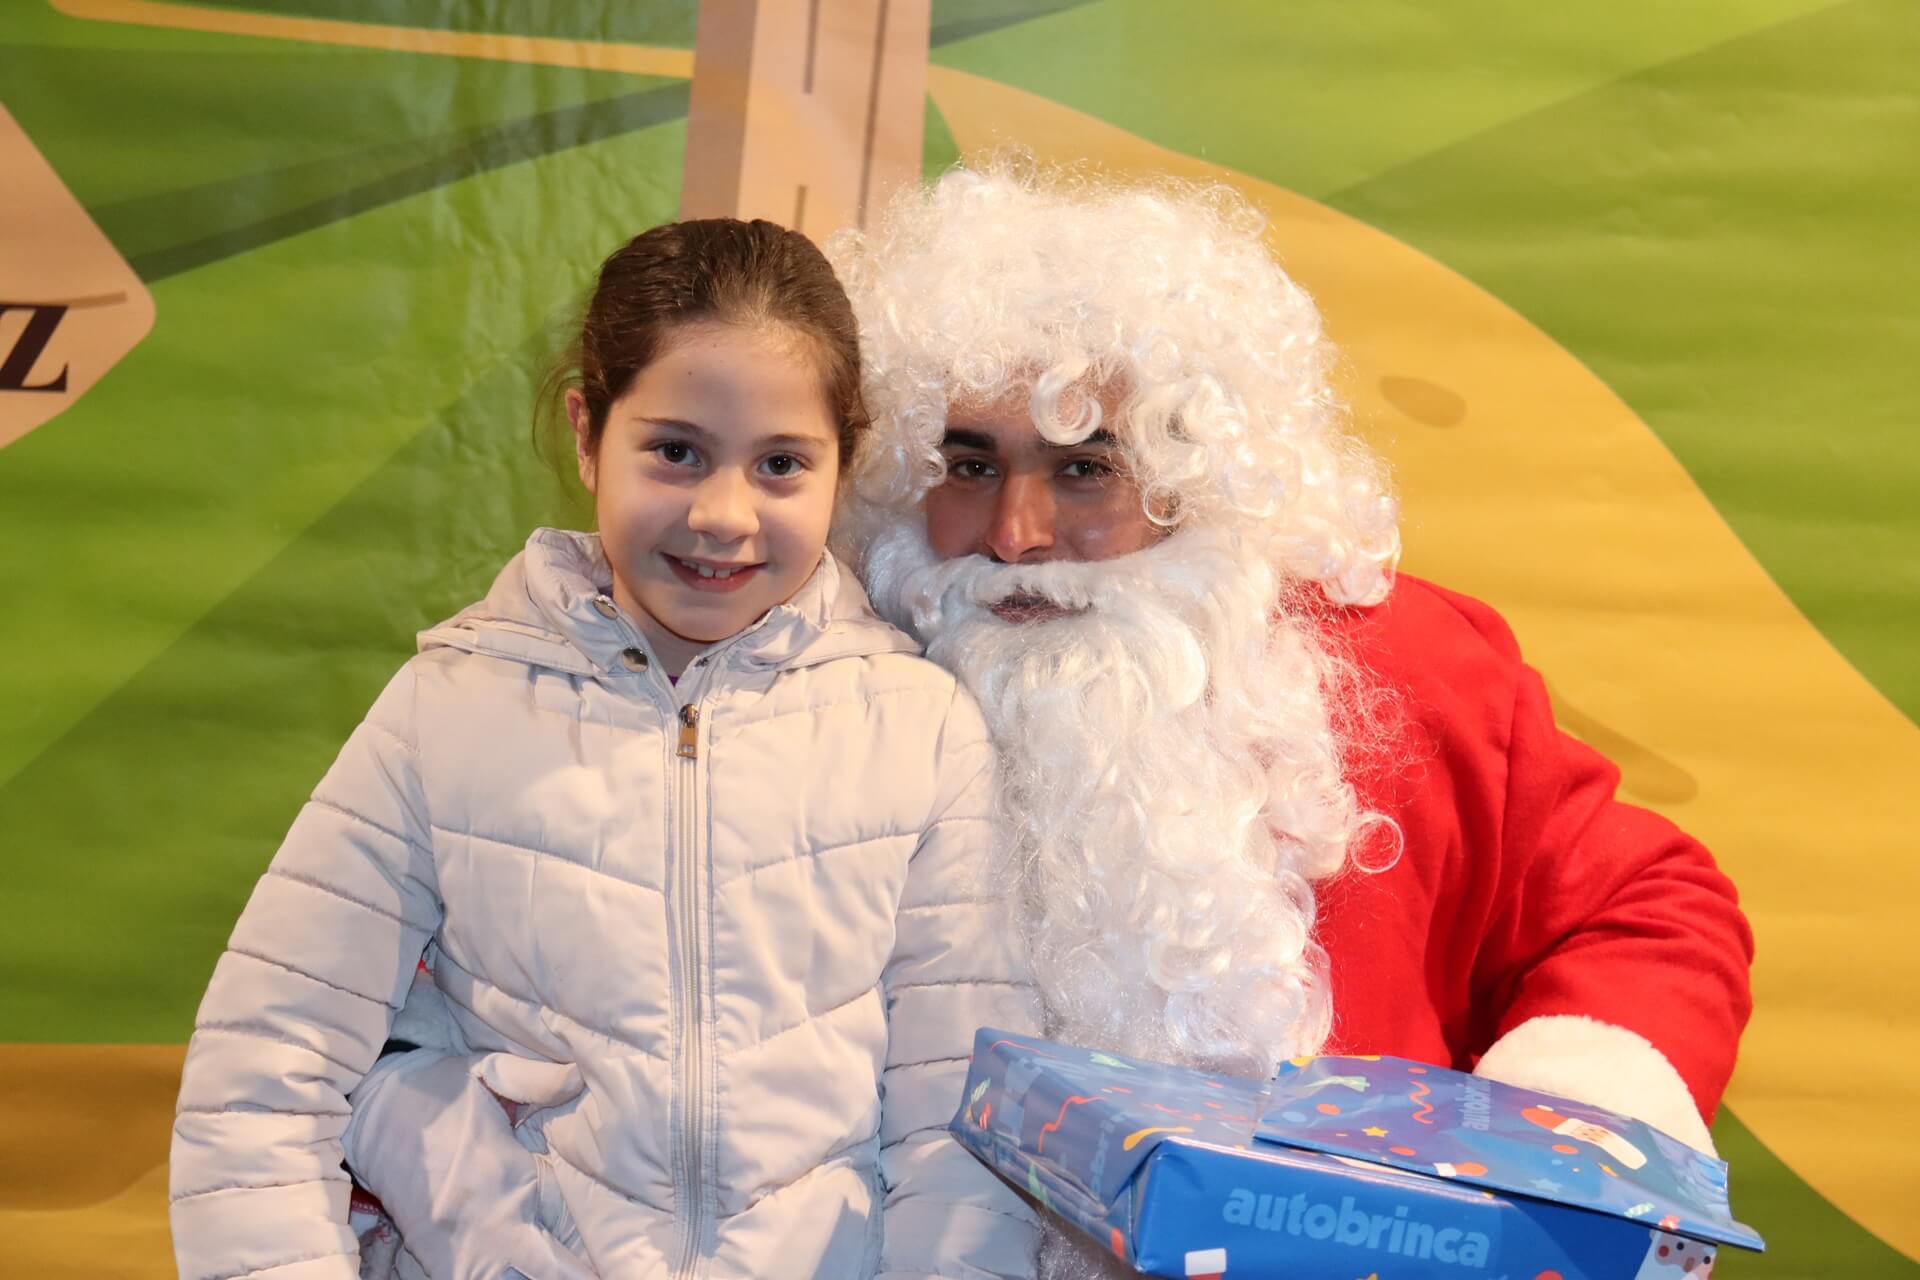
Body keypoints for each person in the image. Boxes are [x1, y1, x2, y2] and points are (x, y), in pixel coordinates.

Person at [345, 166, 1753, 1276]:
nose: (1017, 535)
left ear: (1192, 472)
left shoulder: (1396, 666)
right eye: (968, 463)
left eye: (1085, 469)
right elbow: (440, 987)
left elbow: (1650, 912)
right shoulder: (782, 671)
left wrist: (1557, 1134)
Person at [166, 218, 1041, 1280]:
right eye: (675, 451)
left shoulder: (921, 728)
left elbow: (961, 1132)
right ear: (588, 433)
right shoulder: (446, 708)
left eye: (780, 464)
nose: (722, 514)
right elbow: (263, 1079)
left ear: (842, 466)